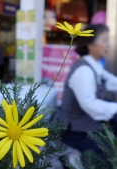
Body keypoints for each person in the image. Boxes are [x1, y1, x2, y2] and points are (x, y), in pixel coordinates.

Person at [59, 24, 117, 154]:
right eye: (105, 40)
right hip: (76, 132)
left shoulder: (94, 65)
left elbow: (110, 81)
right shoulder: (83, 70)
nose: (108, 45)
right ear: (90, 44)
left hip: (86, 127)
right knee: (108, 155)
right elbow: (88, 103)